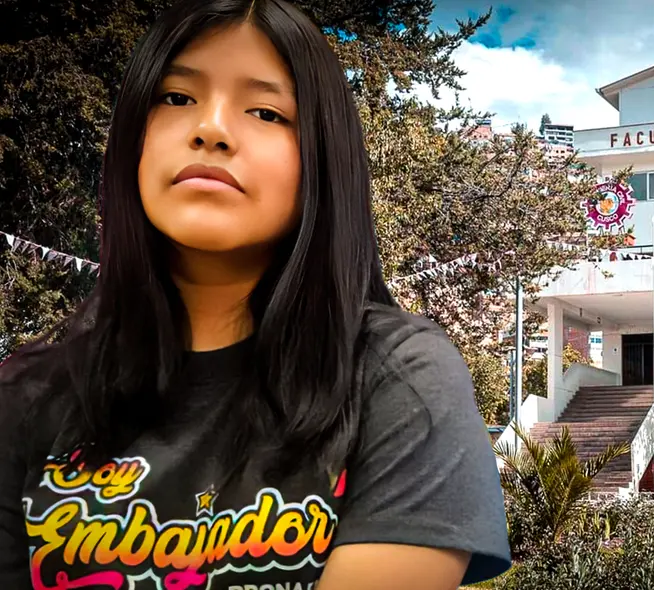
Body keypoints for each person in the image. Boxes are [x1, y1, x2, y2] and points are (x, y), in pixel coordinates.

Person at [0, 0, 511, 588]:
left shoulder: (399, 379)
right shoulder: (25, 397)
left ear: (323, 158)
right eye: (176, 98)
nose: (211, 129)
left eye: (266, 112)